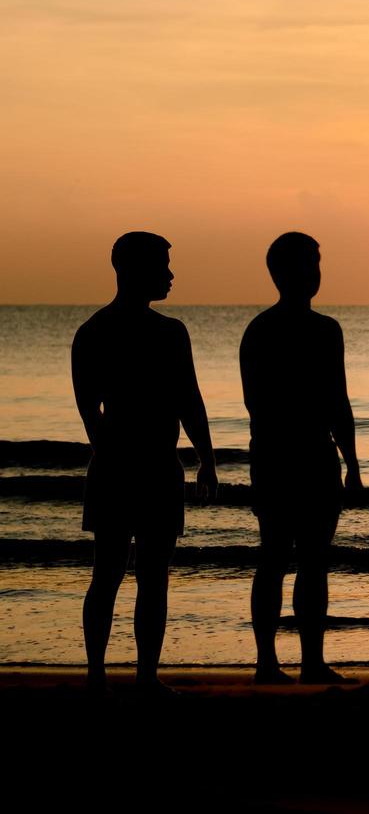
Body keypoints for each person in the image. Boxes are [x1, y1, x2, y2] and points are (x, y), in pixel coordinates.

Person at [72, 231, 217, 694]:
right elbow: (91, 410)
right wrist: (203, 459)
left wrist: (206, 458)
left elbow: (187, 401)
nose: (171, 275)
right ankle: (111, 674)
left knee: (137, 574)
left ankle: (136, 675)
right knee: (120, 574)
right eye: (162, 265)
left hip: (141, 466)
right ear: (133, 269)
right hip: (139, 468)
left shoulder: (113, 331)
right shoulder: (110, 332)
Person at [241, 232, 361, 684]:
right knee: (277, 556)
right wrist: (347, 461)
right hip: (286, 455)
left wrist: (351, 462)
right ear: (283, 273)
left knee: (309, 559)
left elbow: (339, 401)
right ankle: (269, 662)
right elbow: (262, 402)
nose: (314, 274)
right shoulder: (268, 331)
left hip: (304, 454)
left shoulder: (319, 330)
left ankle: (309, 660)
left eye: (317, 264)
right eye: (308, 265)